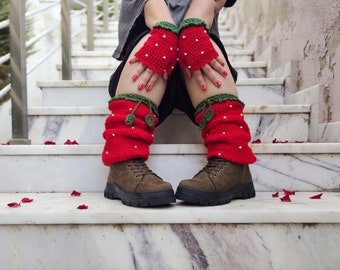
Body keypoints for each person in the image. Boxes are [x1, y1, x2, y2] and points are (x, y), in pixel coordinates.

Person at [101, 0, 256, 207]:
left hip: (197, 65)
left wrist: (193, 27)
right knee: (156, 39)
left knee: (197, 40)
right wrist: (164, 31)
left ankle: (232, 159)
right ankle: (123, 160)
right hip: (147, 66)